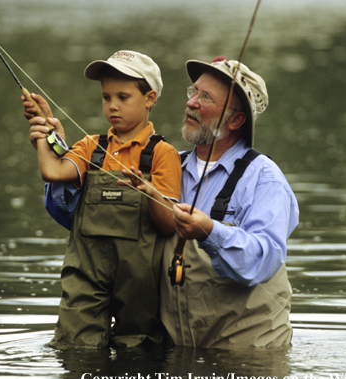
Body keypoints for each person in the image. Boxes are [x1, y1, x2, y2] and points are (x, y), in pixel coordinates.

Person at [42, 56, 299, 350]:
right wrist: (59, 154)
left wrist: (210, 231)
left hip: (248, 358)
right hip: (172, 352)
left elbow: (263, 260)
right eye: (193, 92)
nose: (191, 103)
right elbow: (82, 221)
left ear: (236, 120)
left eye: (206, 97)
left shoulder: (264, 178)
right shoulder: (163, 165)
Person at [23, 50, 182, 348]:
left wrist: (151, 193)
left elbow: (167, 226)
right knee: (73, 345)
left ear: (150, 99)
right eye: (106, 97)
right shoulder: (90, 146)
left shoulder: (163, 154)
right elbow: (53, 171)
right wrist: (44, 131)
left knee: (137, 350)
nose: (112, 106)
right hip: (86, 274)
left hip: (140, 282)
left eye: (123, 97)